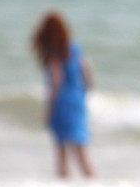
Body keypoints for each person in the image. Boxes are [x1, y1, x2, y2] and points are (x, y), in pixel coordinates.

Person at [32, 11, 96, 178]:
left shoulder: (55, 54)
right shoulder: (75, 49)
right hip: (77, 100)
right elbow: (87, 76)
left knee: (61, 154)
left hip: (62, 103)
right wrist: (82, 96)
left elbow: (56, 83)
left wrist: (49, 110)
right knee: (81, 150)